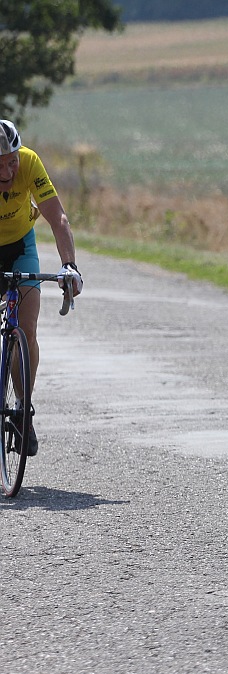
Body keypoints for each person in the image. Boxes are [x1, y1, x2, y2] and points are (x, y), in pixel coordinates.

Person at [0, 120, 84, 456]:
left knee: (27, 328)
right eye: (0, 165)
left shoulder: (30, 163)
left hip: (20, 245)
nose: (8, 171)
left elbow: (57, 217)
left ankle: (23, 409)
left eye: (12, 162)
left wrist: (69, 265)